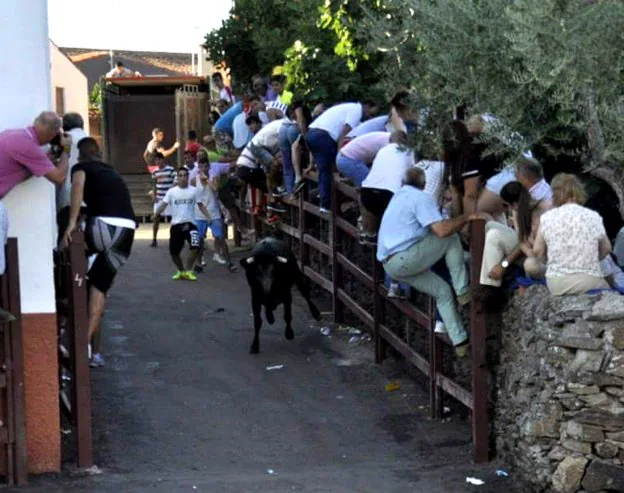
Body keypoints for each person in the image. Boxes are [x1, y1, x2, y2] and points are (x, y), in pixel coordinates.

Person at [377, 167, 484, 358]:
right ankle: (462, 290)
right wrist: (466, 217)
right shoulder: (420, 198)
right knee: (450, 238)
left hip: (390, 266)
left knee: (442, 291)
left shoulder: (397, 197)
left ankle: (460, 341)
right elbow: (442, 230)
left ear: (404, 182)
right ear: (424, 185)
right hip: (405, 257)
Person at [60, 137, 136, 368]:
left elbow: (78, 188)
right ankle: (83, 344)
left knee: (69, 252)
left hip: (104, 225)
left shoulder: (81, 168)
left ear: (80, 155)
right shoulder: (110, 172)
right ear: (99, 153)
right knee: (100, 287)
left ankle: (65, 303)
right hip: (128, 231)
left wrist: (71, 224)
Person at [534, 173, 611, 295]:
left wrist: (551, 263)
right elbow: (606, 248)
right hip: (588, 280)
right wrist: (591, 260)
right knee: (611, 292)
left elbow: (538, 250)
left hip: (557, 283)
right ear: (579, 191)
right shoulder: (593, 216)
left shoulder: (546, 218)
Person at [307, 100, 380, 212]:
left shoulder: (348, 108)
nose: (370, 117)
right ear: (367, 106)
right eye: (371, 113)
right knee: (331, 169)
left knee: (324, 171)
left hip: (312, 133)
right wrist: (341, 155)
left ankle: (324, 204)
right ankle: (328, 204)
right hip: (324, 136)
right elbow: (344, 135)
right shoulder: (356, 110)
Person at [479, 181, 549, 291]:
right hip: (528, 251)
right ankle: (490, 279)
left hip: (541, 256)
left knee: (493, 235)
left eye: (506, 205)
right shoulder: (517, 212)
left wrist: (504, 264)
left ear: (514, 204)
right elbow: (522, 242)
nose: (507, 209)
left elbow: (536, 250)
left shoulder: (543, 211)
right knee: (490, 225)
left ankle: (490, 286)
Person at [152, 167, 208, 281]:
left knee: (196, 246)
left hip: (190, 223)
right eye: (180, 176)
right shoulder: (172, 192)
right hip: (176, 225)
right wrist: (156, 213)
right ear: (177, 178)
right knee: (174, 252)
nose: (183, 178)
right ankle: (181, 271)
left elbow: (201, 205)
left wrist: (208, 216)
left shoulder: (194, 190)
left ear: (188, 177)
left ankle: (188, 270)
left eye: (185, 175)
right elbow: (163, 204)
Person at [0, 111, 70, 200]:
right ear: (52, 134)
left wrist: (44, 163)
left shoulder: (11, 134)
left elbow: (16, 171)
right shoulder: (28, 146)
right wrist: (67, 148)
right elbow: (59, 178)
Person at [359, 132, 412, 243]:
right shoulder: (409, 151)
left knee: (372, 205)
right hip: (390, 194)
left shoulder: (382, 150)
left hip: (367, 193)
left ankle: (369, 233)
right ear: (405, 141)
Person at [235, 118, 286, 222]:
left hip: (242, 168)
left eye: (252, 124)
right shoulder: (261, 140)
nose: (251, 127)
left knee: (268, 185)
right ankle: (272, 208)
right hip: (247, 168)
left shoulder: (262, 137)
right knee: (271, 181)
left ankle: (269, 209)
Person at [194, 161, 237, 273]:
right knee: (199, 239)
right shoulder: (194, 180)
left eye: (205, 166)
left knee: (221, 238)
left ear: (209, 167)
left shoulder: (214, 178)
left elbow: (216, 189)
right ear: (199, 168)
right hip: (200, 214)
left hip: (214, 213)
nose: (203, 168)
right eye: (201, 166)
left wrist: (207, 180)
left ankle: (229, 263)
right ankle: (198, 263)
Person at [477, 157, 552, 220]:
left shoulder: (535, 198)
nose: (515, 177)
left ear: (525, 178)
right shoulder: (543, 185)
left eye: (517, 174)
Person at [57, 113, 88, 236]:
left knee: (66, 231)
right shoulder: (87, 138)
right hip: (87, 195)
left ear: (65, 126)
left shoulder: (67, 137)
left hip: (69, 193)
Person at [279, 99, 312, 195]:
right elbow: (301, 121)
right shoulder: (299, 109)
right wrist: (306, 139)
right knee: (300, 160)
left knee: (288, 165)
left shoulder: (287, 115)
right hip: (292, 130)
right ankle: (303, 191)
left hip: (282, 130)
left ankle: (291, 193)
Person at [151, 153, 176, 247]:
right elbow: (154, 184)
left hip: (169, 199)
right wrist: (154, 195)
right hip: (159, 198)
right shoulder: (155, 171)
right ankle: (154, 239)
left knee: (173, 219)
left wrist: (171, 193)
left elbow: (175, 182)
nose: (157, 162)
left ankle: (174, 238)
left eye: (158, 160)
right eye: (155, 160)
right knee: (156, 218)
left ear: (162, 160)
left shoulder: (171, 169)